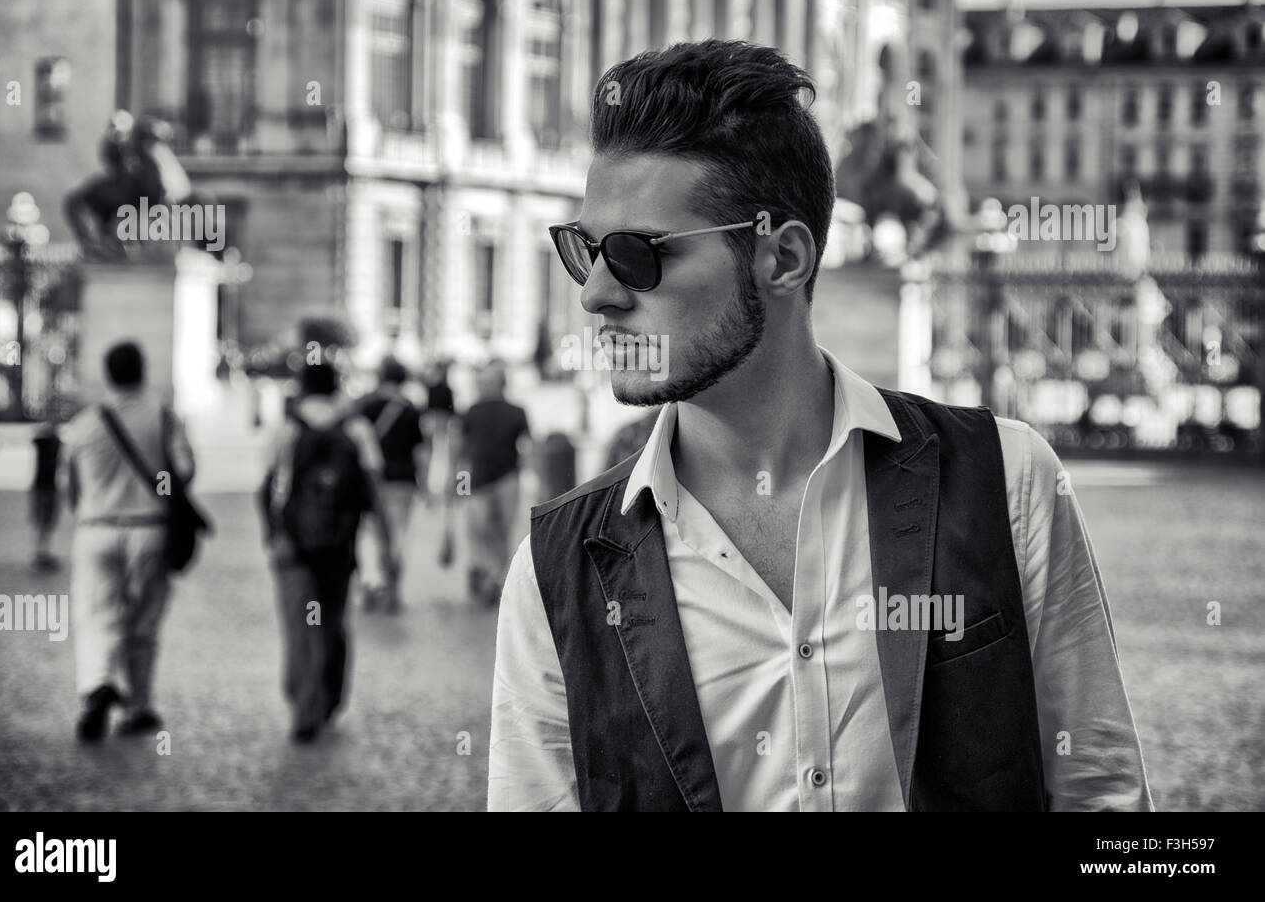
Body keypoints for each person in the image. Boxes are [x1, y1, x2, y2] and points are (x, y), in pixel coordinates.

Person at [488, 39, 1153, 811]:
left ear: (783, 258)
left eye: (637, 255)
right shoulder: (554, 571)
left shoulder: (1008, 481)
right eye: (586, 250)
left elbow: (1101, 796)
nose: (595, 294)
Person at [258, 359, 398, 742]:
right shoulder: (355, 428)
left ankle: (305, 706)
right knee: (332, 623)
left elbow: (267, 487)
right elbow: (373, 489)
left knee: (301, 625)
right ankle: (330, 699)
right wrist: (386, 543)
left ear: (301, 387)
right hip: (339, 543)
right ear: (336, 386)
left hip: (294, 545)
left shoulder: (286, 427)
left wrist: (272, 536)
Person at [64, 341, 195, 740]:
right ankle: (138, 706)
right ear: (143, 370)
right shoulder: (164, 418)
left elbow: (68, 487)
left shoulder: (83, 424)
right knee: (143, 622)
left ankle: (98, 684)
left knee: (95, 615)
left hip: (96, 528)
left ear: (107, 373)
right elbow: (183, 473)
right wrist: (158, 482)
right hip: (150, 529)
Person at [354, 357, 423, 613]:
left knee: (369, 535)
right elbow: (420, 451)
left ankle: (370, 584)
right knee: (399, 535)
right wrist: (425, 483)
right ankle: (393, 589)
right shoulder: (411, 409)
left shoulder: (364, 405)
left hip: (370, 481)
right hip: (403, 481)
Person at [459, 362, 531, 606]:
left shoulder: (471, 411)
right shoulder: (517, 411)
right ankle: (495, 576)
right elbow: (527, 448)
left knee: (480, 531)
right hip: (508, 479)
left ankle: (488, 575)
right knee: (501, 531)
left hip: (480, 481)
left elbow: (461, 453)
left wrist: (460, 487)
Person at [421, 359, 458, 568]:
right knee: (441, 453)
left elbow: (428, 407)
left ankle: (430, 487)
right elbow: (451, 411)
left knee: (432, 453)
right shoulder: (446, 388)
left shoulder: (432, 387)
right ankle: (438, 485)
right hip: (443, 422)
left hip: (432, 421)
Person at [30, 420, 62, 572]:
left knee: (45, 522)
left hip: (44, 487)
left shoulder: (47, 444)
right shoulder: (47, 444)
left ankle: (42, 552)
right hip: (45, 488)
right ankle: (41, 553)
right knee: (44, 522)